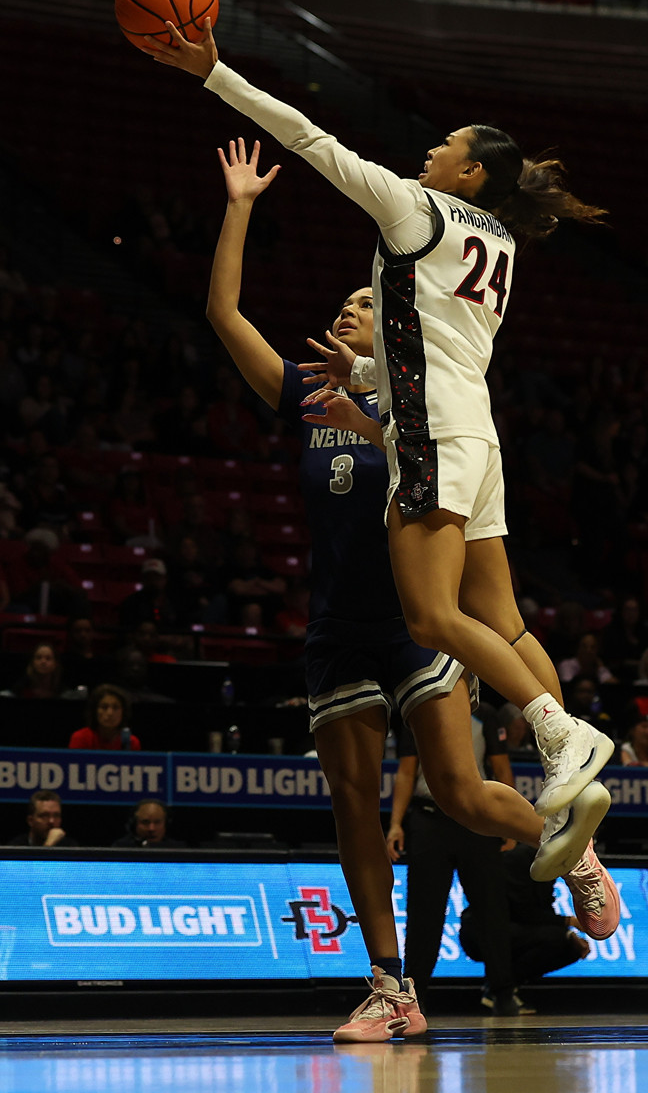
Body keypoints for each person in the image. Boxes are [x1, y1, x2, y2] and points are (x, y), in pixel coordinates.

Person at [151, 29, 617, 841]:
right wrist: (369, 376)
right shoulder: (502, 241)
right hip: (476, 433)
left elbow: (308, 138)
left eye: (447, 145)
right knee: (504, 622)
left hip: (431, 432)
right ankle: (568, 770)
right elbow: (443, 344)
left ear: (470, 172)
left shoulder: (415, 207)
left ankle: (560, 733)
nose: (430, 151)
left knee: (432, 619)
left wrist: (214, 72)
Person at [199, 137, 616, 1041]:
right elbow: (223, 313)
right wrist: (239, 206)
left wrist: (375, 418)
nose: (354, 309)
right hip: (337, 626)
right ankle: (393, 991)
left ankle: (576, 853)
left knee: (461, 794)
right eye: (345, 304)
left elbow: (422, 447)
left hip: (412, 628)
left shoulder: (414, 404)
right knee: (353, 808)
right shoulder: (308, 396)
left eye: (366, 301)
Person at [388, 705, 520, 1015]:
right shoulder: (417, 709)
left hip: (477, 820)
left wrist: (508, 822)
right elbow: (407, 771)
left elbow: (501, 770)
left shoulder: (486, 715)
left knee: (492, 910)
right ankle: (415, 995)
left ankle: (503, 992)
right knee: (423, 915)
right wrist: (395, 823)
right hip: (429, 819)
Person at [458, 845, 589, 1013]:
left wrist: (568, 933)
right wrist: (568, 923)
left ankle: (501, 989)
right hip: (482, 932)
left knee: (571, 947)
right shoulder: (519, 858)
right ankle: (499, 988)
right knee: (558, 939)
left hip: (514, 929)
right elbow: (522, 911)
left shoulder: (547, 862)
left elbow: (541, 909)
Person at [68, 684, 140, 751]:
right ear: (94, 710)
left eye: (115, 707)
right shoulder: (81, 738)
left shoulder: (131, 742)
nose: (110, 713)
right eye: (104, 707)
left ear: (123, 712)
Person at [112, 800, 184, 849]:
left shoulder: (178, 849)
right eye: (145, 822)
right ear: (134, 824)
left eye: (157, 822)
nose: (151, 828)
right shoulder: (120, 848)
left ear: (166, 824)